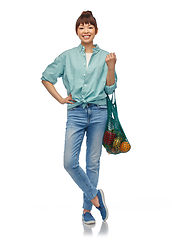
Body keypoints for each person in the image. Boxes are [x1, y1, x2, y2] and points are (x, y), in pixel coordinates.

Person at [41, 11, 117, 225]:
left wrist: (111, 67)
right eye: (82, 27)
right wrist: (60, 99)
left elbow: (110, 88)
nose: (86, 30)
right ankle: (95, 198)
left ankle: (86, 210)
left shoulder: (105, 56)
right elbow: (47, 77)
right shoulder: (67, 56)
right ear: (77, 31)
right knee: (69, 162)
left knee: (92, 163)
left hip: (99, 112)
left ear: (96, 31)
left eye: (90, 27)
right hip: (75, 113)